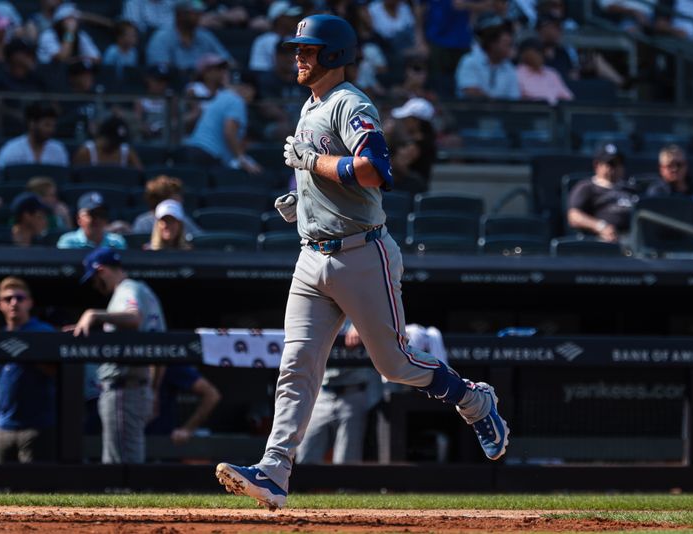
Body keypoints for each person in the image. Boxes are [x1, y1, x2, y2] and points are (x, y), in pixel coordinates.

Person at [215, 14, 509, 511]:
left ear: (333, 55)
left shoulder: (351, 103)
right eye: (297, 50)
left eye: (307, 50)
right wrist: (303, 199)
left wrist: (312, 167)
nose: (297, 58)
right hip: (312, 255)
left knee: (392, 364)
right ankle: (274, 471)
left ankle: (473, 399)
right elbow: (328, 176)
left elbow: (376, 171)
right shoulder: (311, 106)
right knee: (296, 366)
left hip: (361, 253)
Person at [68, 247, 166, 464]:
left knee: (120, 466)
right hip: (138, 383)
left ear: (101, 270)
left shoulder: (127, 289)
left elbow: (133, 317)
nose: (95, 285)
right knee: (127, 459)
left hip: (124, 386)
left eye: (94, 279)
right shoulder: (144, 291)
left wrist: (93, 314)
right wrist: (154, 390)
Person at [0, 277, 58, 463]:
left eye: (19, 298)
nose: (14, 303)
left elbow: (56, 372)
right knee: (6, 488)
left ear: (30, 302)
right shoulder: (0, 337)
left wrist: (28, 353)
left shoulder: (43, 332)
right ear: (0, 305)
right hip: (3, 426)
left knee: (34, 488)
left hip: (37, 425)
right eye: (8, 299)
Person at [296, 322, 382, 465]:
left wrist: (362, 326)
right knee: (305, 455)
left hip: (353, 392)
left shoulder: (361, 309)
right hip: (321, 393)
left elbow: (384, 317)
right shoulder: (320, 308)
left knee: (346, 460)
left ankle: (345, 488)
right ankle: (303, 487)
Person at [181, 71, 261, 173]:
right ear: (248, 89)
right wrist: (242, 160)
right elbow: (229, 132)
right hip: (206, 155)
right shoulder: (237, 101)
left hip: (194, 151)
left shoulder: (223, 95)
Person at [568, 142, 638, 243]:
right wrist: (600, 226)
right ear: (597, 165)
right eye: (611, 164)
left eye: (620, 163)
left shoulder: (631, 188)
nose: (616, 167)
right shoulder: (587, 187)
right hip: (605, 240)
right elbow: (574, 216)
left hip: (635, 237)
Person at [145, 0, 233, 71]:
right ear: (179, 15)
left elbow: (229, 62)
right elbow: (160, 70)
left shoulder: (205, 36)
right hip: (174, 88)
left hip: (202, 89)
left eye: (199, 13)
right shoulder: (162, 38)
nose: (198, 16)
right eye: (193, 13)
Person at [145, 364, 221, 445]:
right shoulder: (133, 366)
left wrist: (188, 429)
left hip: (161, 443)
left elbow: (212, 395)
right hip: (135, 439)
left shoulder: (171, 366)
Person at [454, 14, 520, 100]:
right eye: (506, 44)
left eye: (510, 45)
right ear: (492, 44)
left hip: (502, 113)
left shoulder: (509, 68)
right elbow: (470, 91)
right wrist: (497, 104)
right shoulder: (470, 61)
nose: (510, 49)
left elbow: (514, 99)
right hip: (472, 112)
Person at [386, 97, 437, 195]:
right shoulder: (422, 141)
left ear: (416, 121)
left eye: (406, 119)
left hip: (408, 194)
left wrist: (386, 137)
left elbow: (393, 164)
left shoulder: (418, 144)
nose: (403, 122)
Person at [0, 102, 69, 169]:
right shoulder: (11, 150)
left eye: (53, 126)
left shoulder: (59, 150)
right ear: (32, 124)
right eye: (47, 125)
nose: (51, 130)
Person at [131, 174, 201, 236]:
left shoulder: (184, 220)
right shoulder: (143, 223)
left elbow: (200, 239)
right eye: (175, 199)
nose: (181, 201)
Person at [57, 191, 127, 249]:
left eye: (101, 214)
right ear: (79, 219)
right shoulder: (69, 242)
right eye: (92, 214)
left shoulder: (116, 242)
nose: (97, 219)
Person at [36, 2, 101, 64]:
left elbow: (97, 59)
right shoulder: (48, 35)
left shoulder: (80, 35)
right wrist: (69, 32)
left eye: (74, 19)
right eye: (69, 19)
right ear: (60, 22)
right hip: (46, 71)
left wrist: (78, 60)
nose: (73, 22)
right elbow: (62, 58)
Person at [248, 1, 302, 73]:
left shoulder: (299, 39)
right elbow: (258, 70)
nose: (296, 19)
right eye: (290, 17)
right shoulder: (262, 41)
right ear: (279, 18)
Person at [516, 37, 573, 105]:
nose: (541, 55)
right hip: (531, 113)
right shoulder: (516, 74)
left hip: (555, 113)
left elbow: (568, 97)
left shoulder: (552, 73)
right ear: (524, 54)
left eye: (542, 51)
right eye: (537, 51)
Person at [72, 116, 143, 169]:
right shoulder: (86, 152)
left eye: (119, 142)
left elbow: (139, 176)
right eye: (114, 140)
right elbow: (73, 177)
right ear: (104, 137)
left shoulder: (126, 151)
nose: (116, 145)